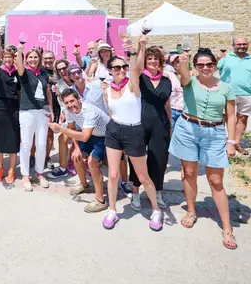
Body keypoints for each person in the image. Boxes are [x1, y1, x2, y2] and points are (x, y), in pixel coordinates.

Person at [169, 49, 238, 250]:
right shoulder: (189, 81)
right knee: (189, 173)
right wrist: (184, 59)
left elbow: (231, 116)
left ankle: (227, 228)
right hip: (188, 129)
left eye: (209, 64)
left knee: (216, 180)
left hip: (215, 133)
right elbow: (182, 72)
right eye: (200, 65)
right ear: (195, 67)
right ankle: (191, 211)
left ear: (215, 65)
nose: (205, 68)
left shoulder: (226, 88)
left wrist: (231, 141)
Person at [101, 37, 163, 231]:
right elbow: (111, 113)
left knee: (143, 177)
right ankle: (112, 210)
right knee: (112, 175)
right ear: (110, 70)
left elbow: (135, 69)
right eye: (116, 67)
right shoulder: (107, 90)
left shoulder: (132, 85)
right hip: (114, 130)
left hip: (134, 131)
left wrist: (135, 51)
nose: (121, 70)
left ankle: (156, 210)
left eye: (123, 67)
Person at [49, 89, 111, 212]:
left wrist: (61, 129)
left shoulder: (89, 111)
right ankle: (84, 184)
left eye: (72, 101)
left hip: (106, 136)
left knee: (92, 163)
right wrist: (76, 148)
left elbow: (84, 136)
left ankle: (100, 200)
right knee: (75, 157)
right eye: (66, 102)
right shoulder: (69, 111)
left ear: (79, 99)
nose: (70, 105)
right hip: (90, 134)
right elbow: (73, 129)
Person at [128, 43, 172, 211]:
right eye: (150, 58)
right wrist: (141, 48)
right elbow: (136, 67)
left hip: (160, 124)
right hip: (140, 123)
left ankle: (157, 191)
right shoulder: (140, 77)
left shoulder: (167, 80)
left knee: (159, 160)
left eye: (156, 59)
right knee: (137, 159)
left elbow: (167, 105)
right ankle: (135, 192)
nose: (153, 61)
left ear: (161, 61)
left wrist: (170, 126)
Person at [15, 44, 53, 192]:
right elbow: (18, 64)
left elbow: (47, 91)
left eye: (35, 57)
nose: (33, 59)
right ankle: (25, 175)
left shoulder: (43, 73)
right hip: (27, 111)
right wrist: (19, 52)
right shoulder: (24, 72)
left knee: (41, 144)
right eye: (30, 57)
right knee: (26, 144)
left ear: (39, 59)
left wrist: (50, 108)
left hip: (42, 111)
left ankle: (39, 172)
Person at [218, 37, 251, 155]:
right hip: (227, 93)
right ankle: (223, 142)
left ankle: (236, 142)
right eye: (239, 44)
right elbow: (212, 69)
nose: (241, 46)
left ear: (248, 45)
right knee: (224, 117)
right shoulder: (226, 58)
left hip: (249, 94)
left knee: (243, 117)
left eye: (244, 44)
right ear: (233, 45)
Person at [0, 48, 20, 183]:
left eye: (10, 57)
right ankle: (0, 168)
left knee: (13, 139)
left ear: (13, 59)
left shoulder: (17, 73)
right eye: (5, 57)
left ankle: (11, 169)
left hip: (13, 108)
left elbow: (19, 91)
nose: (7, 59)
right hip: (0, 107)